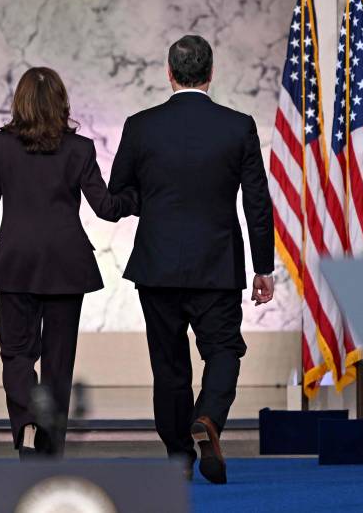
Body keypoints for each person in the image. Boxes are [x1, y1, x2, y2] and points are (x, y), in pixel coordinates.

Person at [108, 34, 275, 484]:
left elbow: (119, 192)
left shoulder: (140, 125)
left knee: (169, 364)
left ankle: (179, 457)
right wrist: (264, 267)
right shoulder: (238, 126)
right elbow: (257, 202)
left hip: (157, 264)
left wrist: (151, 204)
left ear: (169, 73)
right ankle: (209, 420)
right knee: (223, 350)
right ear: (211, 73)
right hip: (217, 265)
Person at [0, 66, 138, 458]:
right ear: (61, 103)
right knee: (59, 361)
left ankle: (26, 419)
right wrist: (140, 196)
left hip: (17, 263)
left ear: (19, 102)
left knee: (17, 353)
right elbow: (107, 208)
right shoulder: (80, 149)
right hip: (66, 264)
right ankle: (50, 445)